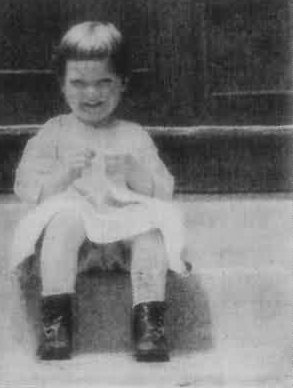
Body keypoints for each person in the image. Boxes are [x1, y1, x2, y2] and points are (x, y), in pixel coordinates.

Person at [12, 21, 190, 362]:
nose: (91, 95)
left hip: (122, 244)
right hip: (71, 248)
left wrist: (134, 172)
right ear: (62, 86)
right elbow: (27, 187)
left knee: (152, 228)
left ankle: (149, 321)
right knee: (65, 218)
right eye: (79, 83)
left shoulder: (133, 134)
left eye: (103, 82)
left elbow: (163, 190)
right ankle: (57, 320)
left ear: (122, 84)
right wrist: (64, 172)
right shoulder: (54, 132)